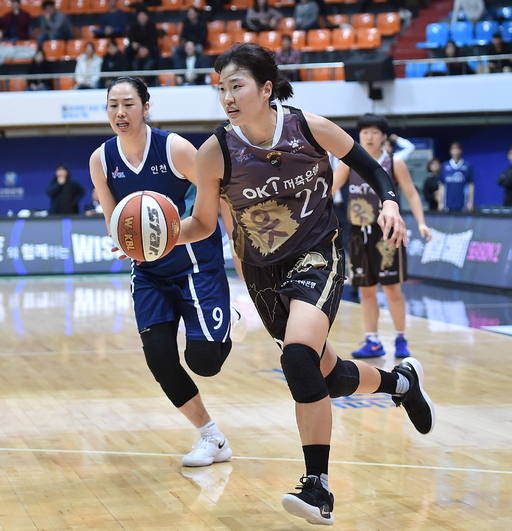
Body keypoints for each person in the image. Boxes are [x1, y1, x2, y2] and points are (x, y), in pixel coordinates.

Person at [176, 43, 435, 525]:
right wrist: (164, 236)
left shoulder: (308, 128)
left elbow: (371, 166)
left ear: (265, 88)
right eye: (221, 89)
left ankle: (318, 487)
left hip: (317, 253)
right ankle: (401, 382)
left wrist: (390, 202)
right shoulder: (215, 152)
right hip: (261, 272)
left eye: (237, 86)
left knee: (297, 358)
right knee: (327, 376)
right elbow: (203, 223)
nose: (227, 97)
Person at [89, 76, 245, 469]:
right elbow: (113, 220)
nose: (120, 112)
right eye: (113, 105)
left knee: (204, 361)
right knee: (159, 357)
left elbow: (220, 194)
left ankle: (229, 319)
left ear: (145, 107)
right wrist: (124, 239)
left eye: (128, 104)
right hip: (148, 272)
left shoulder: (174, 148)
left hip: (195, 264)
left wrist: (239, 243)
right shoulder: (101, 160)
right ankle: (211, 437)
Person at [333, 113, 432, 360]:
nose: (369, 136)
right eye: (365, 132)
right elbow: (328, 190)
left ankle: (400, 337)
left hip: (387, 232)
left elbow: (411, 193)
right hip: (357, 233)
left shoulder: (394, 163)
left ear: (383, 136)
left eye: (374, 132)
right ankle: (373, 340)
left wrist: (421, 223)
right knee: (366, 291)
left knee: (392, 289)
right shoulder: (348, 163)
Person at [437, 140, 474, 212]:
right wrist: (440, 202)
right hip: (447, 204)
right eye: (453, 149)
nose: (455, 151)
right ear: (450, 151)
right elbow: (441, 185)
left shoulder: (467, 166)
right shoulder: (445, 166)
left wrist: (470, 202)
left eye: (457, 149)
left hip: (463, 204)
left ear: (461, 150)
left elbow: (470, 185)